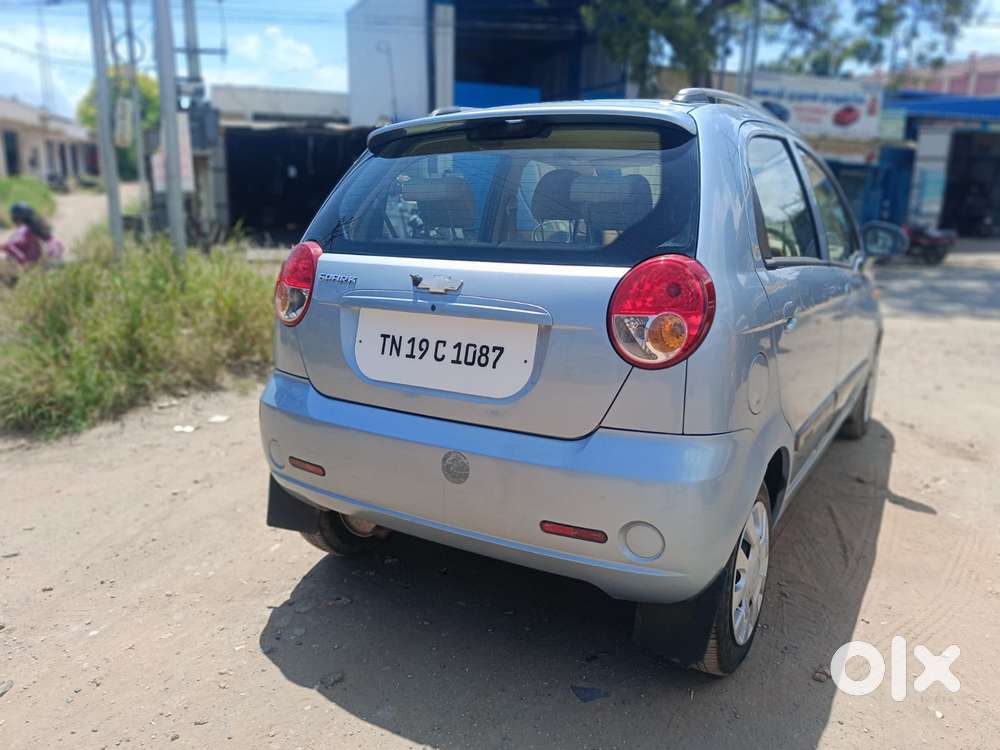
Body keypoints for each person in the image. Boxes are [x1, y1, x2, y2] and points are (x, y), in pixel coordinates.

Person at [2, 202, 64, 281]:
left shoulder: (24, 230)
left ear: (17, 218)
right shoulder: (41, 229)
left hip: (33, 268)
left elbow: (10, 246)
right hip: (51, 266)